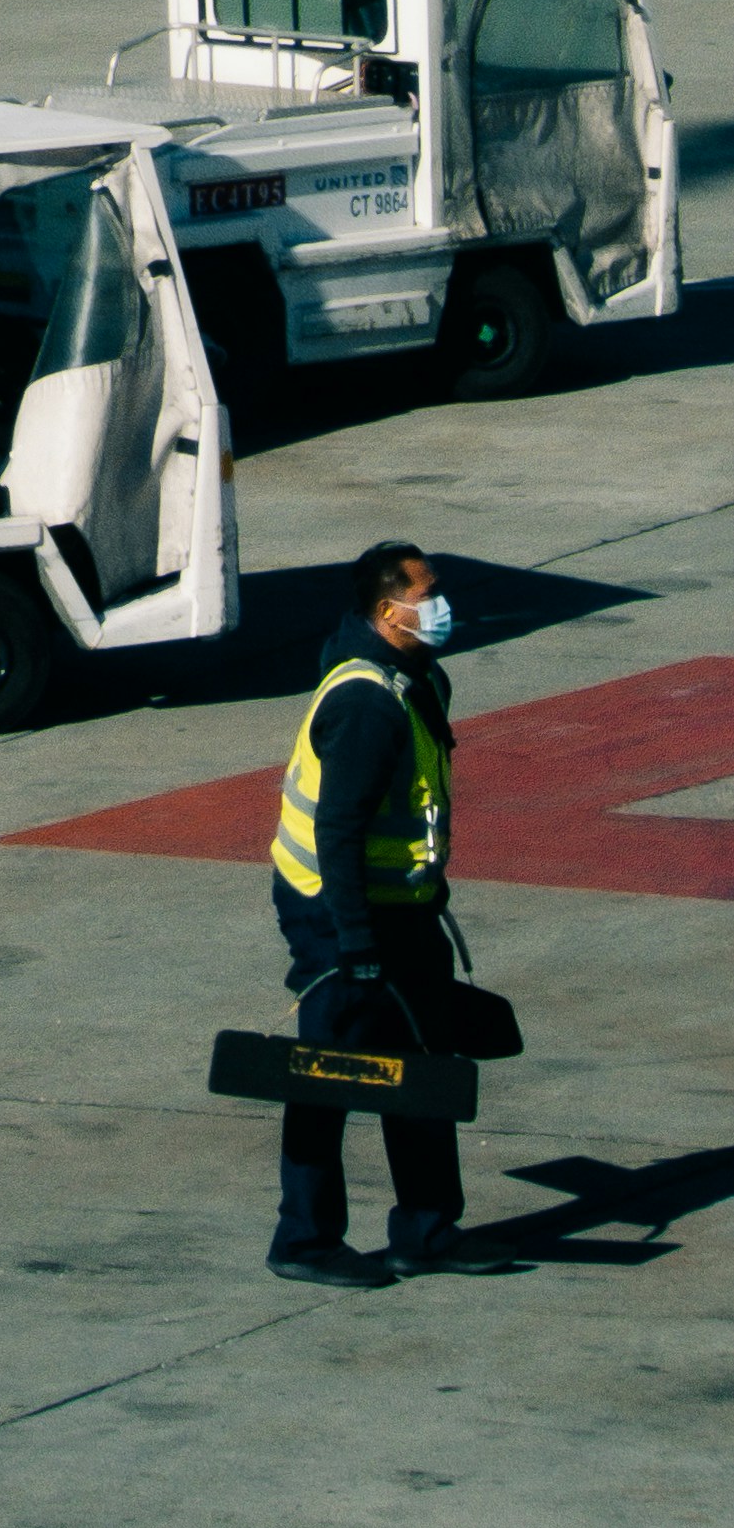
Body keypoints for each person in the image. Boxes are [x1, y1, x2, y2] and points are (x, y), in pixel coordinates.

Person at [266, 537, 481, 1281]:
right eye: (427, 593)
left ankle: (424, 1229)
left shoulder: (417, 675)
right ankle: (303, 1240)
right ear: (388, 610)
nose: (439, 605)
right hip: (335, 911)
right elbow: (338, 833)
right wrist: (354, 943)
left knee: (421, 1060)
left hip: (402, 904)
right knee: (327, 1070)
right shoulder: (365, 701)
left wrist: (425, 891)